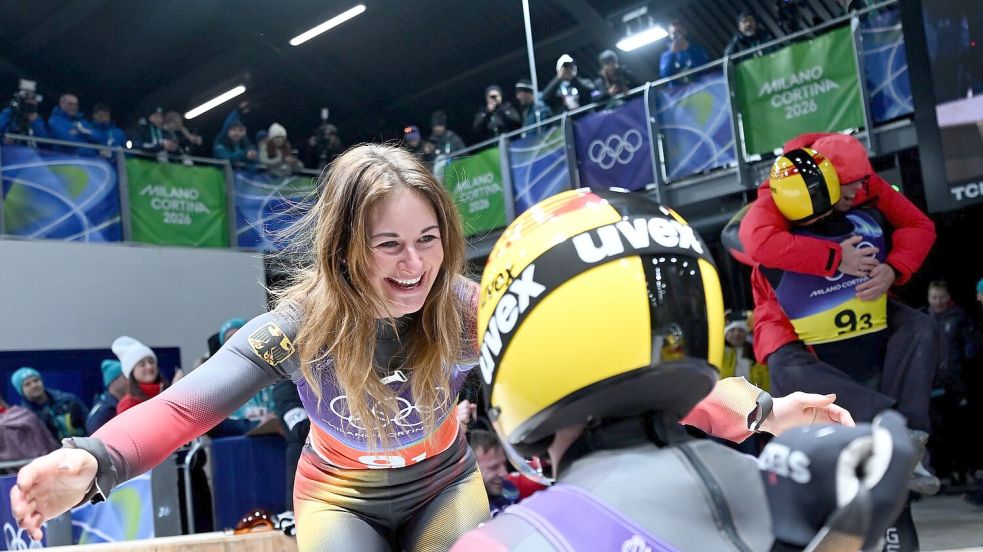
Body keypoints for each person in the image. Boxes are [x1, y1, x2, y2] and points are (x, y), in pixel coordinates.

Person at [9, 145, 854, 550]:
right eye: (387, 245)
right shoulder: (296, 325)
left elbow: (618, 369)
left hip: (445, 485)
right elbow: (182, 408)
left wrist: (763, 411)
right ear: (345, 248)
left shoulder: (470, 307)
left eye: (427, 240)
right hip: (337, 500)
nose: (412, 266)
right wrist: (94, 461)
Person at [452, 187, 915, 551]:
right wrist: (763, 409)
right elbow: (647, 375)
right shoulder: (776, 489)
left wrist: (764, 410)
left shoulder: (503, 541)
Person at [10, 367, 88, 441]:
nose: (34, 385)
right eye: (27, 384)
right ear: (21, 391)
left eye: (36, 380)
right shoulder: (24, 416)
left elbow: (89, 424)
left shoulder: (68, 400)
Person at [112, 336, 169, 414]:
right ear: (132, 372)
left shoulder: (168, 393)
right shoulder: (128, 404)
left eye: (151, 362)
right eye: (142, 364)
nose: (149, 366)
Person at [468, 430, 519, 517]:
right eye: (493, 467)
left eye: (504, 464)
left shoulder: (508, 489)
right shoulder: (461, 518)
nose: (504, 473)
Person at [85, 360, 126, 435]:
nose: (130, 380)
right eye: (125, 376)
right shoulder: (103, 412)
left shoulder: (112, 405)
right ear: (113, 381)